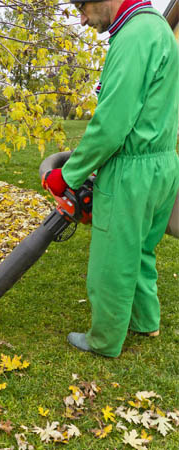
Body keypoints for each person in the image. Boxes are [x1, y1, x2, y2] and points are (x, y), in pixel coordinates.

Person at [44, 0, 179, 357]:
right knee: (141, 250)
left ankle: (104, 340)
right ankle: (145, 321)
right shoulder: (159, 28)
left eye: (82, 7)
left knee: (113, 258)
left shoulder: (133, 35)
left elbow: (111, 126)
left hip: (131, 169)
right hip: (163, 163)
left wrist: (68, 176)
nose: (82, 18)